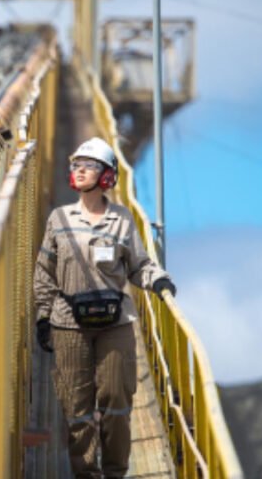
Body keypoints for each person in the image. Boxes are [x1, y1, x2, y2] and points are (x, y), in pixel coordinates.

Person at [33, 137, 175, 479]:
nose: (79, 170)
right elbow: (44, 272)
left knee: (116, 402)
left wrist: (158, 280)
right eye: (75, 165)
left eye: (88, 165)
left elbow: (138, 264)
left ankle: (114, 472)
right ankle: (85, 474)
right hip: (69, 324)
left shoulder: (122, 219)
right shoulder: (59, 219)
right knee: (77, 409)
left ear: (107, 176)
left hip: (115, 324)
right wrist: (43, 316)